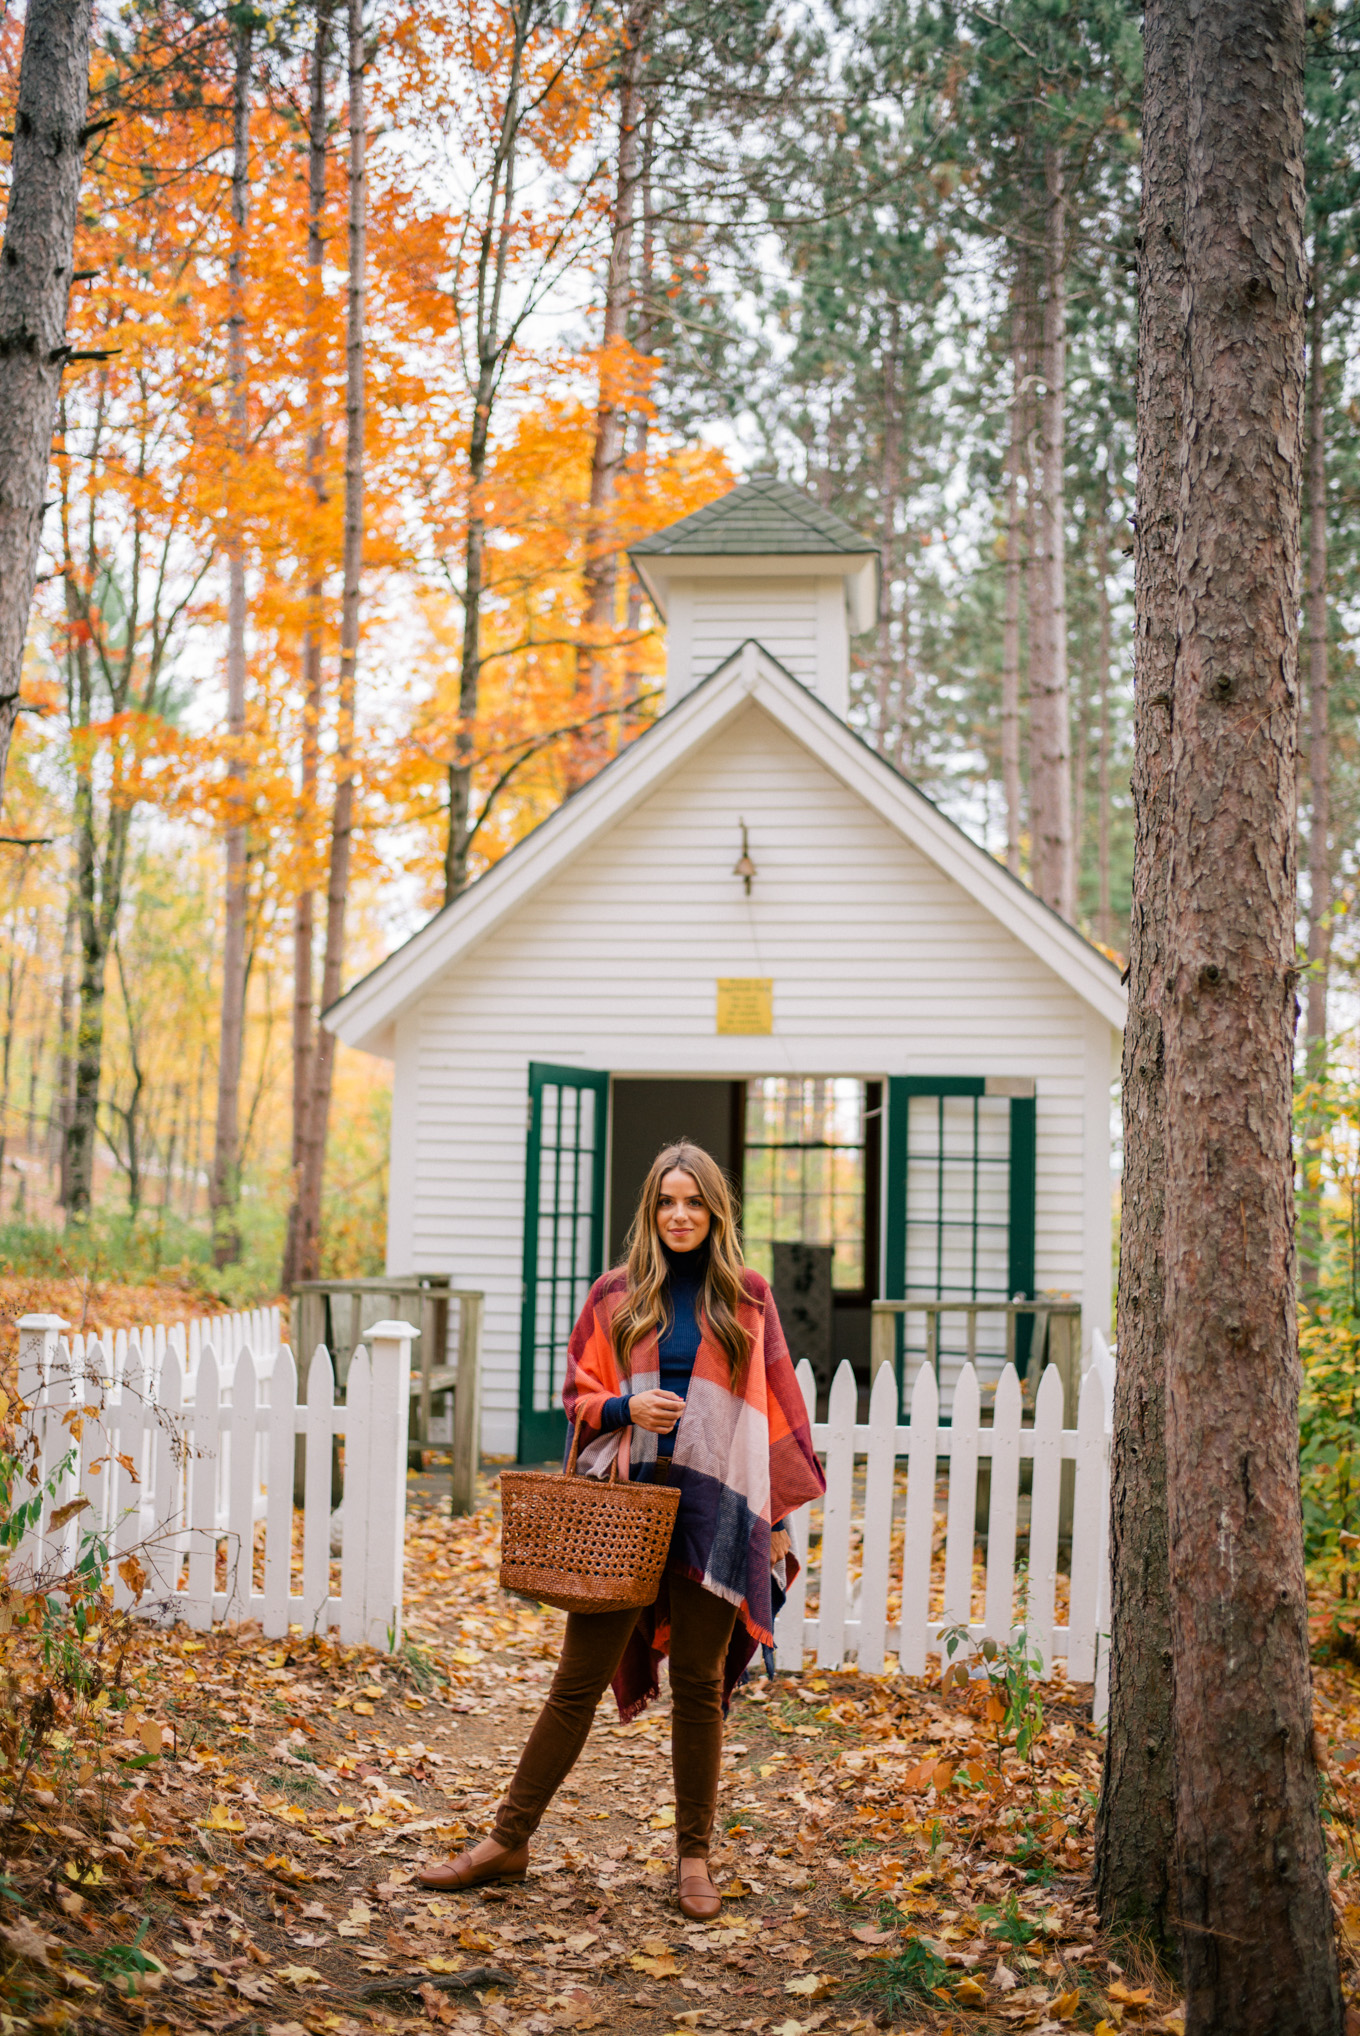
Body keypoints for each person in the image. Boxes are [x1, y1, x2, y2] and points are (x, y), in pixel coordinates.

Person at [418, 1140, 826, 1920]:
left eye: (693, 1202)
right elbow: (576, 1395)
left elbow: (775, 1408)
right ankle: (507, 1840)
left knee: (701, 1685)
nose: (679, 1215)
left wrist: (774, 1518)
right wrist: (625, 1409)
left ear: (715, 1211)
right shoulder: (615, 1293)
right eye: (666, 1202)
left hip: (717, 1508)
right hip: (624, 1508)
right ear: (651, 1210)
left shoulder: (746, 1295)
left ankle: (694, 1857)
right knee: (576, 1682)